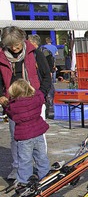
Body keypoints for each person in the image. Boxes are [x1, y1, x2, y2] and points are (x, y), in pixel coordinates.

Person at [0, 26, 51, 181]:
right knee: (17, 137)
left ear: (22, 40)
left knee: (38, 136)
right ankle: (19, 170)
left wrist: (40, 95)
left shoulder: (35, 53)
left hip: (34, 99)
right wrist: (2, 96)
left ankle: (42, 171)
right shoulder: (2, 57)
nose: (14, 49)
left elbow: (46, 76)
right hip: (13, 103)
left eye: (17, 45)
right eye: (11, 46)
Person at [4, 79, 50, 187]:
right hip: (38, 134)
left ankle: (24, 182)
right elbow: (40, 94)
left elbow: (10, 114)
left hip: (24, 138)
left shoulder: (14, 106)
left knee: (25, 161)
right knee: (42, 158)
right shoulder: (36, 99)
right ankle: (46, 178)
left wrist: (5, 105)